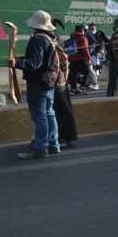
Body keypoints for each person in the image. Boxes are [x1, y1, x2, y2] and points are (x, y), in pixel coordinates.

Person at [10, 11, 60, 160]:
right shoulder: (51, 38)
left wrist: (17, 63)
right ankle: (53, 145)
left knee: (40, 116)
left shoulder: (37, 39)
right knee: (49, 113)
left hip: (38, 82)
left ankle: (40, 148)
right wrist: (20, 60)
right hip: (49, 80)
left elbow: (34, 63)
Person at [49, 19, 78, 150]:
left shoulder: (51, 40)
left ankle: (63, 137)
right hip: (61, 80)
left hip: (56, 81)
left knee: (58, 111)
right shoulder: (57, 38)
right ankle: (67, 137)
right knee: (63, 109)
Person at [66, 25, 91, 94]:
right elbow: (85, 49)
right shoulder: (82, 38)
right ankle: (82, 87)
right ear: (82, 30)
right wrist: (88, 58)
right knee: (87, 72)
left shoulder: (71, 38)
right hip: (81, 59)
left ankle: (73, 88)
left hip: (72, 59)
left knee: (73, 74)